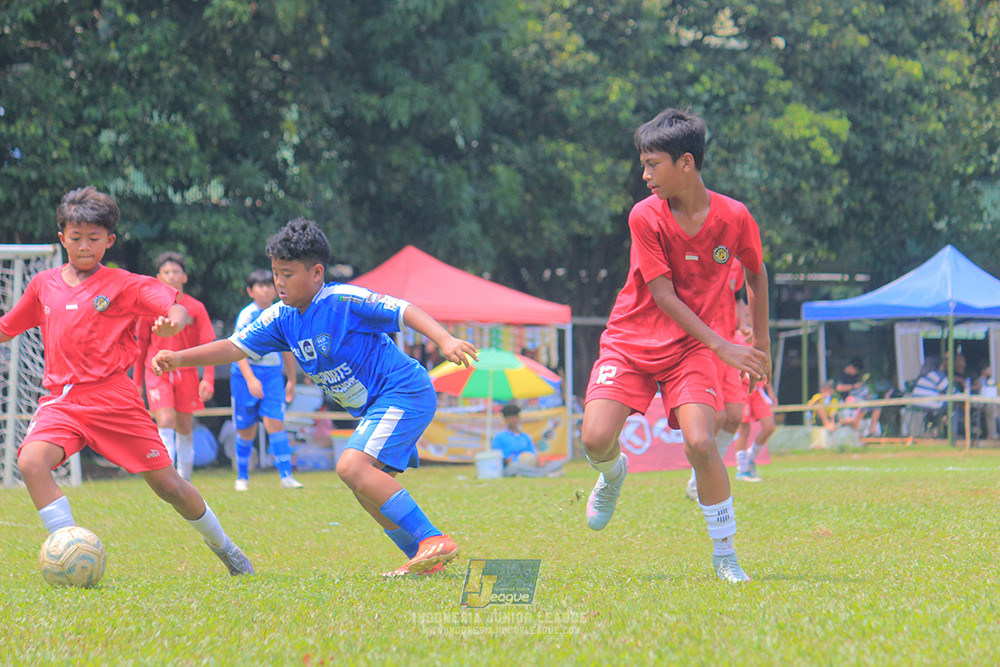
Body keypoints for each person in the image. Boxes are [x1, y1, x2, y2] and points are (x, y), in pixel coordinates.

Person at [151, 218, 478, 578]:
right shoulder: (279, 317)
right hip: (376, 406)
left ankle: (433, 538)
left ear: (317, 272)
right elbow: (232, 347)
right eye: (276, 273)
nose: (278, 282)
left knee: (351, 467)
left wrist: (445, 340)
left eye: (287, 274)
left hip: (404, 391)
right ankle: (422, 558)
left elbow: (403, 310)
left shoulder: (342, 300)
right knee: (362, 485)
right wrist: (180, 358)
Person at [0, 186, 252, 576]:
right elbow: (7, 327)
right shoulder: (43, 285)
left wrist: (172, 320)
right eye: (76, 237)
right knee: (31, 461)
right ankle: (70, 549)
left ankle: (227, 549)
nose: (84, 246)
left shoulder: (122, 284)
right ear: (61, 237)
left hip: (114, 399)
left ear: (109, 241)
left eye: (94, 239)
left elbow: (176, 307)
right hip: (63, 400)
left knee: (169, 485)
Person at [580, 108, 770, 583]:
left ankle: (725, 554)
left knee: (703, 442)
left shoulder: (735, 217)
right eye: (642, 164)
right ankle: (613, 474)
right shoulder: (645, 216)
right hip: (631, 341)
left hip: (690, 350)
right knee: (595, 439)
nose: (644, 176)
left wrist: (759, 344)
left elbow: (756, 274)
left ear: (686, 162)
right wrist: (725, 345)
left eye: (652, 164)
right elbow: (662, 295)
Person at [133, 252, 216, 481]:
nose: (171, 276)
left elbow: (208, 343)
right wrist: (136, 382)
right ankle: (169, 480)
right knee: (166, 420)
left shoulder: (196, 308)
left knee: (184, 426)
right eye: (166, 272)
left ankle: (184, 481)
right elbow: (140, 346)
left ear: (185, 277)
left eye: (175, 272)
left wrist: (207, 378)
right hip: (157, 372)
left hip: (187, 373)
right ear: (158, 277)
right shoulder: (149, 308)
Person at [230, 269, 302, 491]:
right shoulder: (246, 315)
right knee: (247, 429)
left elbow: (287, 349)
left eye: (268, 285)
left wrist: (291, 378)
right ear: (250, 291)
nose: (265, 290)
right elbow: (237, 350)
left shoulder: (281, 313)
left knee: (275, 422)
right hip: (245, 375)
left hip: (272, 375)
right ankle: (242, 477)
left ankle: (286, 476)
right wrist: (251, 379)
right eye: (259, 286)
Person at [684, 259, 747, 501]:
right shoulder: (694, 257)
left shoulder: (735, 264)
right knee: (716, 416)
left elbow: (738, 297)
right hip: (704, 347)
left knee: (734, 417)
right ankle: (698, 480)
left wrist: (743, 325)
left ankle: (705, 475)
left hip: (729, 347)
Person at [491, 403, 565, 478]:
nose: (513, 419)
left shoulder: (525, 436)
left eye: (515, 416)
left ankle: (535, 474)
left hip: (529, 466)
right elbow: (498, 457)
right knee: (515, 467)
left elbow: (532, 455)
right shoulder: (499, 437)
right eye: (510, 417)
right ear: (505, 419)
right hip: (514, 465)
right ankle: (543, 474)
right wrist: (507, 460)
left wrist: (539, 462)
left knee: (557, 463)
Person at [734, 375, 777, 482]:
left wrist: (770, 390)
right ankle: (743, 470)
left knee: (769, 427)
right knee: (744, 428)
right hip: (742, 387)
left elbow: (764, 364)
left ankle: (750, 458)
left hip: (758, 389)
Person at [905, 355, 948, 437]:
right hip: (930, 403)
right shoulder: (936, 374)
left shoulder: (923, 375)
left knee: (936, 408)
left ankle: (930, 429)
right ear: (939, 365)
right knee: (951, 406)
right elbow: (950, 390)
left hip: (916, 403)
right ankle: (950, 433)